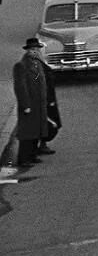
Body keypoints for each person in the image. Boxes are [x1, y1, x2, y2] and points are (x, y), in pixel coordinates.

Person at [13, 38, 51, 167]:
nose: (35, 52)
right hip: (30, 104)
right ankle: (23, 159)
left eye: (36, 50)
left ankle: (32, 155)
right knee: (27, 133)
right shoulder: (21, 66)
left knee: (36, 131)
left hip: (39, 104)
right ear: (27, 51)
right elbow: (20, 87)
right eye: (32, 50)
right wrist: (26, 105)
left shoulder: (37, 64)